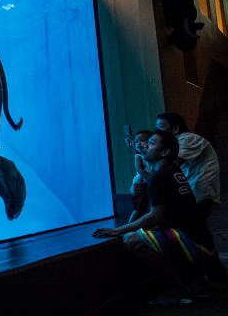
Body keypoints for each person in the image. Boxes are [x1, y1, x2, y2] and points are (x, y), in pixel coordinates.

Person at [93, 130, 218, 306]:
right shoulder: (171, 171)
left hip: (195, 244)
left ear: (164, 152)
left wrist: (118, 230)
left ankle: (178, 286)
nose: (145, 145)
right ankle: (195, 279)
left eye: (151, 143)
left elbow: (154, 216)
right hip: (202, 242)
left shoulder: (160, 177)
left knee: (132, 240)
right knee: (146, 233)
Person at [155, 112, 226, 285]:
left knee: (196, 235)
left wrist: (142, 158)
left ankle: (207, 277)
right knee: (199, 234)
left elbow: (171, 164)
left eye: (161, 127)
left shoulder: (187, 139)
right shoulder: (177, 142)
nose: (156, 131)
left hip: (199, 194)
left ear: (176, 128)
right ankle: (216, 276)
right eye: (156, 127)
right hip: (192, 195)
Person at [127, 129, 153, 223]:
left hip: (151, 183)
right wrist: (151, 179)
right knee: (139, 207)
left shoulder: (153, 154)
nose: (138, 143)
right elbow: (140, 170)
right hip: (143, 182)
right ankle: (129, 226)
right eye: (137, 141)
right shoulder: (139, 156)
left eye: (142, 140)